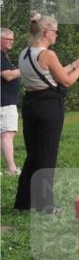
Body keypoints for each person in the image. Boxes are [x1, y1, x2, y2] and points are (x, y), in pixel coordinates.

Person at [14, 13, 79, 213]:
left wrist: (77, 62)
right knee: (47, 155)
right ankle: (45, 205)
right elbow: (66, 81)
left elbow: (55, 72)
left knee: (34, 154)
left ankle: (23, 202)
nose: (57, 36)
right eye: (55, 32)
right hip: (49, 106)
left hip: (30, 104)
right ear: (46, 32)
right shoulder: (48, 54)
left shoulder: (24, 53)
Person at [1, 28, 21, 176]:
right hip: (5, 102)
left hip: (5, 101)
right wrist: (25, 69)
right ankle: (12, 169)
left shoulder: (4, 56)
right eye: (9, 39)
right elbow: (7, 76)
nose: (12, 42)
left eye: (12, 39)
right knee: (8, 134)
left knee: (5, 134)